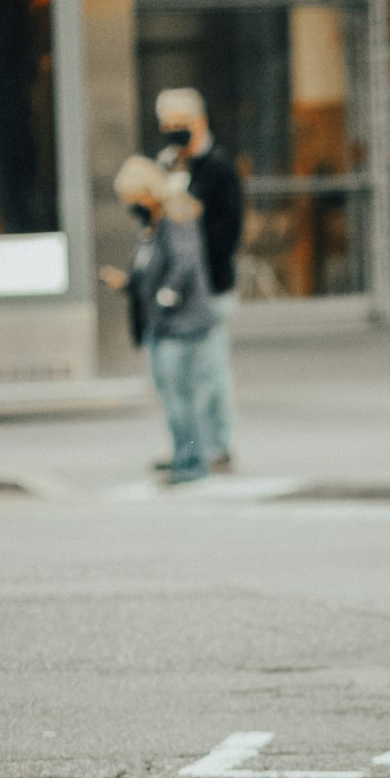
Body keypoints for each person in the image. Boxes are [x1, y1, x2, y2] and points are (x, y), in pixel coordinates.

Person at [101, 157, 214, 486]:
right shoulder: (149, 227)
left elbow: (185, 264)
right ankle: (183, 454)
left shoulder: (176, 218)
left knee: (182, 397)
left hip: (182, 324)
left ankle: (193, 461)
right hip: (160, 325)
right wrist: (127, 284)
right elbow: (148, 272)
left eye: (134, 197)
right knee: (171, 396)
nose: (130, 205)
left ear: (149, 192)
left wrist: (166, 296)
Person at [156, 88, 243, 473]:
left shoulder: (220, 168)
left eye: (181, 126)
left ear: (200, 122)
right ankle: (189, 449)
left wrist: (197, 268)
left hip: (210, 289)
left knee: (209, 373)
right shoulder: (168, 166)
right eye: (168, 127)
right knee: (179, 382)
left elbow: (229, 230)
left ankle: (218, 448)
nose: (175, 134)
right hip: (178, 291)